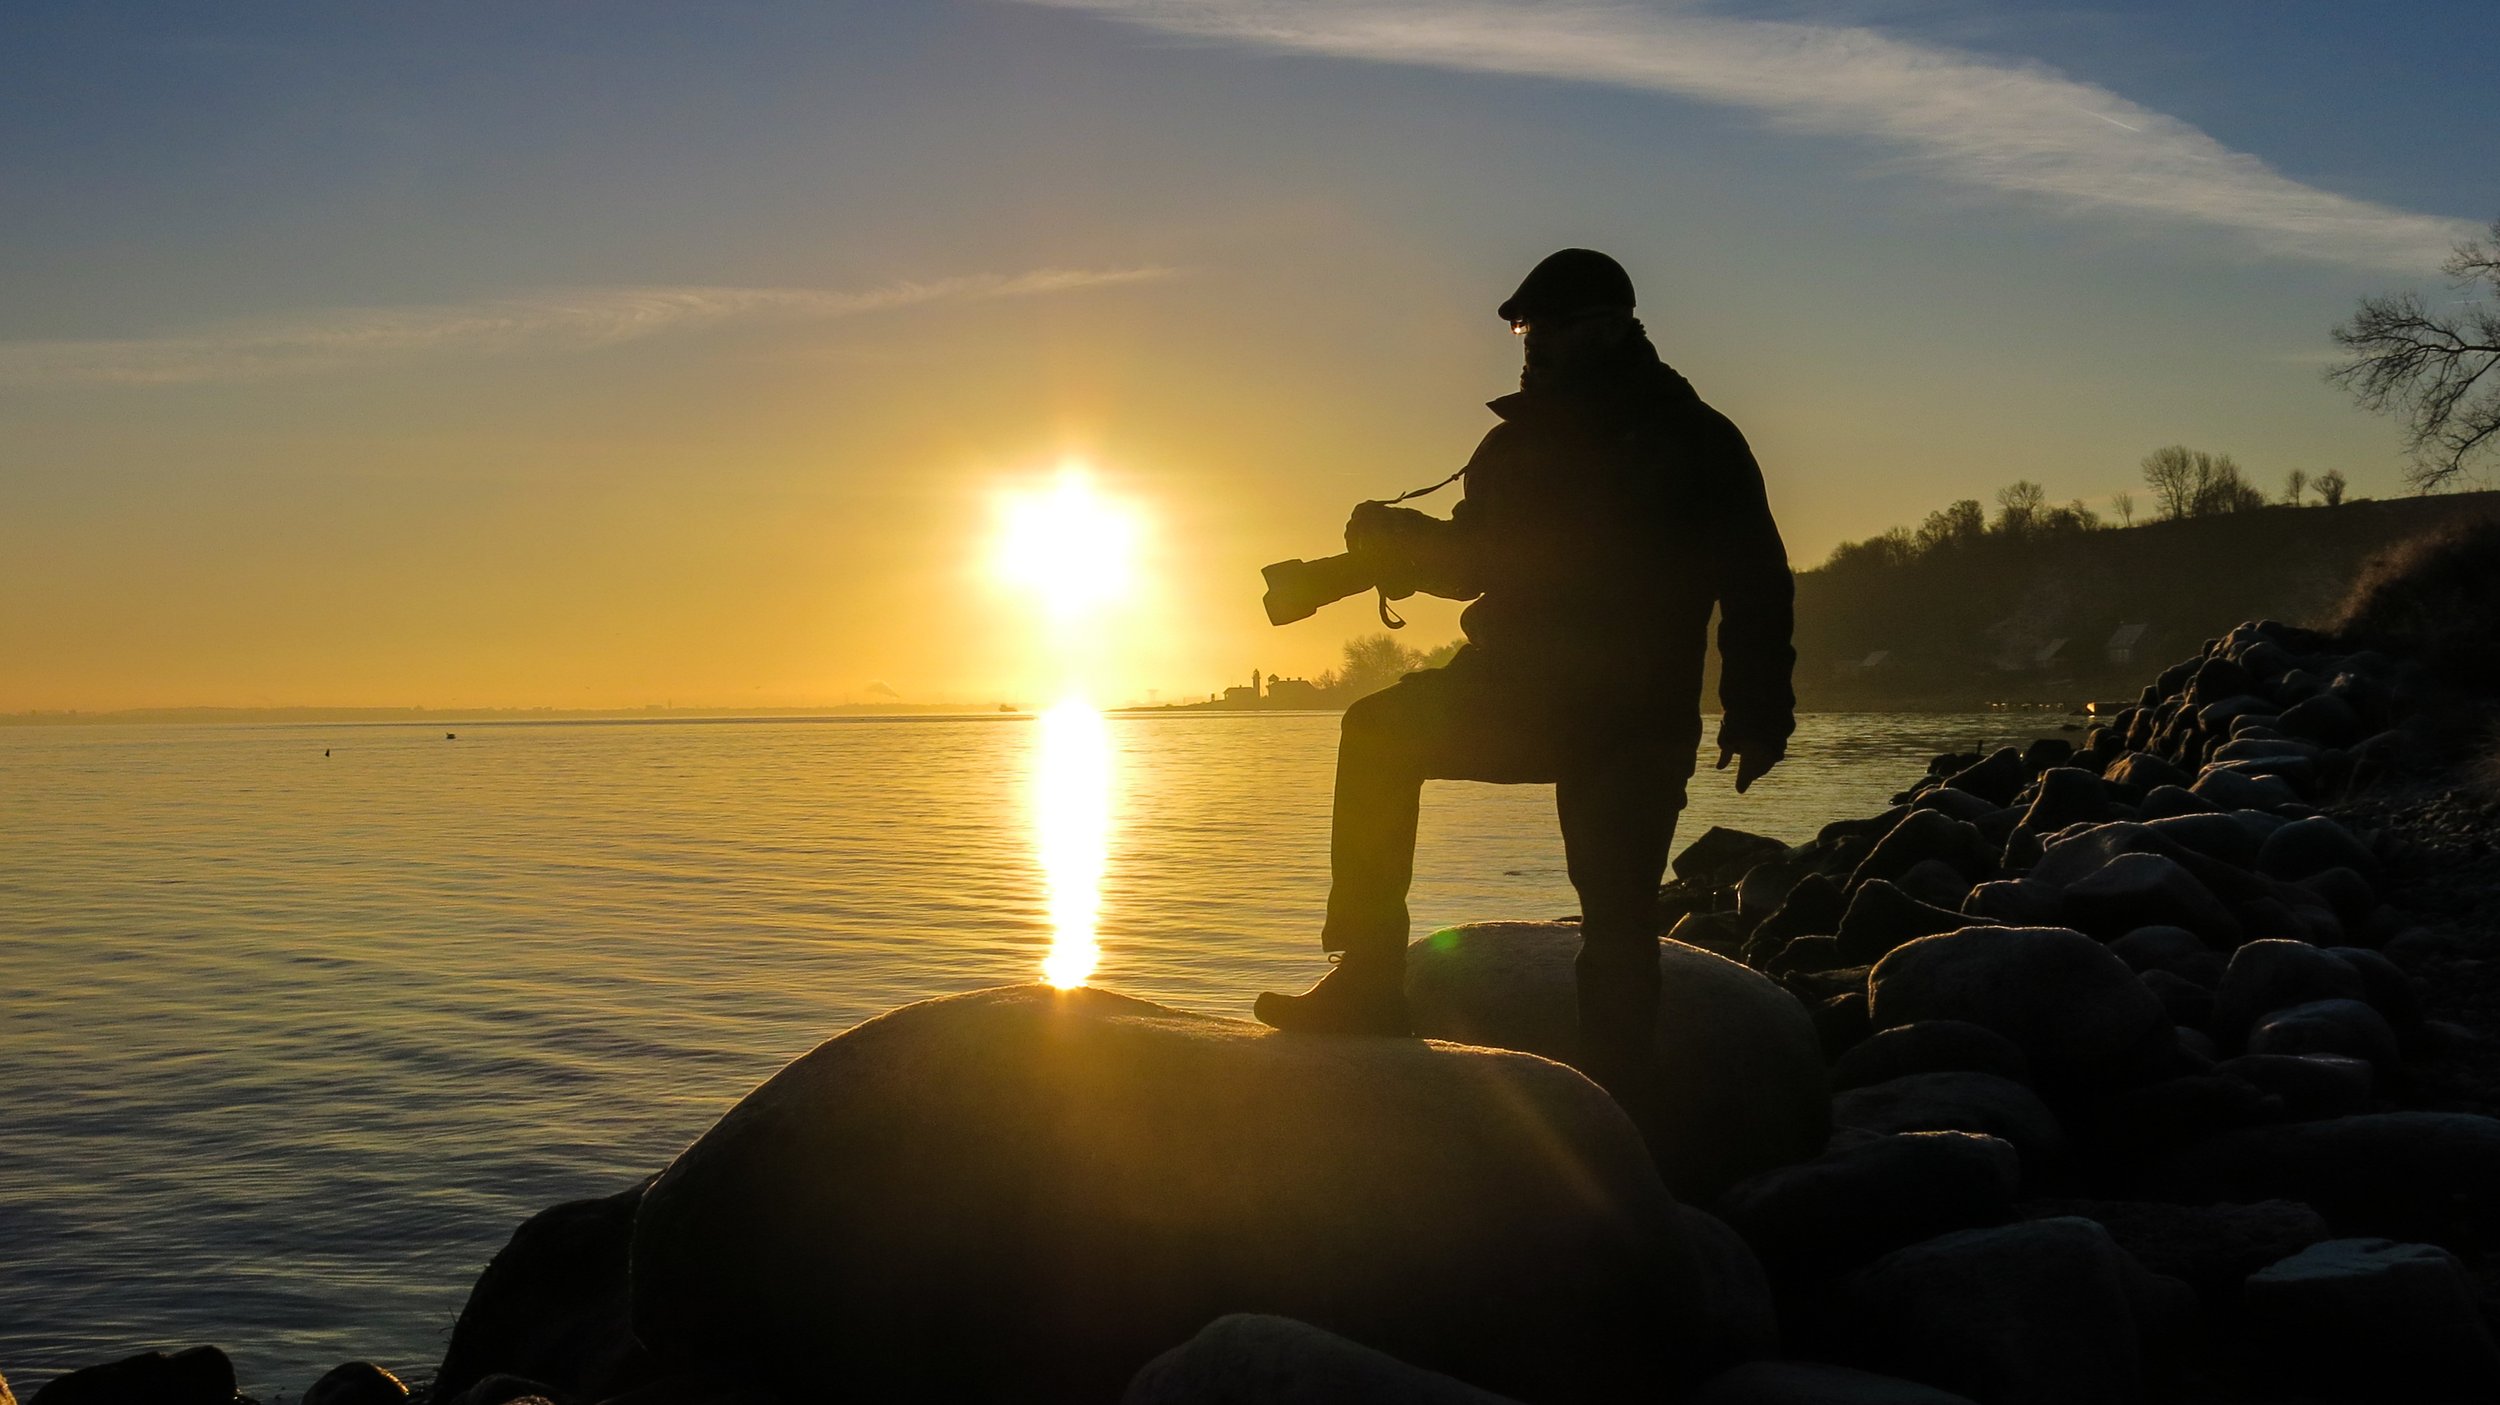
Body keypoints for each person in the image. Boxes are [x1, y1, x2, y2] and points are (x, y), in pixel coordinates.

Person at [1253, 248, 1796, 1096]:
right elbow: (1475, 565)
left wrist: (1759, 711)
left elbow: (1755, 579)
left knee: (1616, 918)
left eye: (1549, 326)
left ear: (1613, 327)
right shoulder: (1513, 444)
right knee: (1376, 734)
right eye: (1522, 325)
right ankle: (1367, 978)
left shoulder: (1695, 441)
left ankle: (1621, 1106)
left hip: (1629, 716)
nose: (1530, 342)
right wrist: (1392, 549)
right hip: (1516, 694)